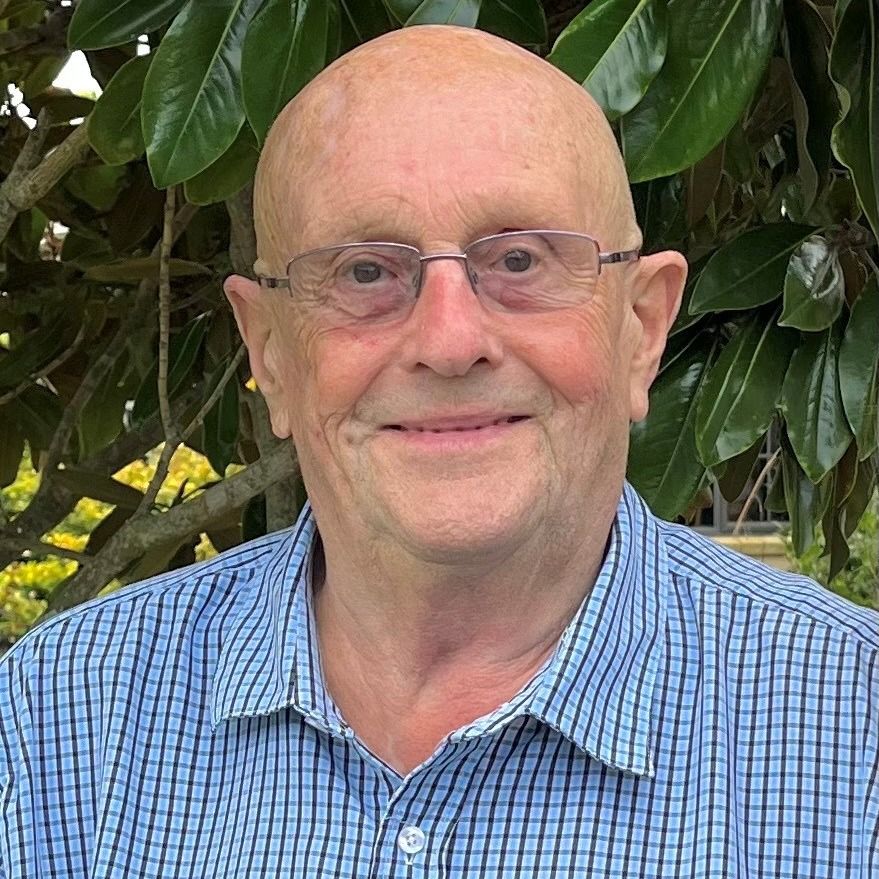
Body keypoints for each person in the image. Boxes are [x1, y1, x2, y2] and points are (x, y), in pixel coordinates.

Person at [1, 24, 877, 879]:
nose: (450, 341)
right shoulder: (56, 724)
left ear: (640, 330)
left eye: (521, 260)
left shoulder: (855, 731)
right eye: (365, 271)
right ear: (269, 349)